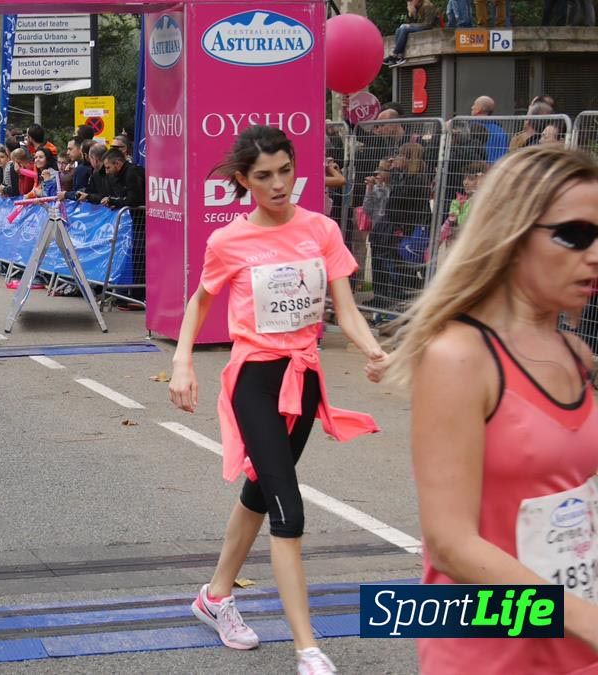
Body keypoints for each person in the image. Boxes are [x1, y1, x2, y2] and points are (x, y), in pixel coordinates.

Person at [167, 126, 388, 675]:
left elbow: (345, 308)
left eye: (285, 170)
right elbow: (200, 302)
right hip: (255, 381)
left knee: (261, 492)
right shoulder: (229, 241)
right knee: (289, 510)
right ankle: (307, 649)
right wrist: (182, 362)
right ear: (244, 181)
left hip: (303, 379)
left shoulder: (321, 230)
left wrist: (373, 350)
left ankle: (215, 596)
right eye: (264, 176)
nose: (278, 184)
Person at [385, 145, 598, 674]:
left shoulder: (575, 353)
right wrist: (586, 621)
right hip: (490, 656)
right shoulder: (458, 357)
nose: (594, 255)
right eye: (575, 235)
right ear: (513, 233)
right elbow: (451, 545)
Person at [383, 0, 441, 66]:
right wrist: (411, 13)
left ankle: (395, 54)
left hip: (432, 28)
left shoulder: (428, 6)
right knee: (398, 30)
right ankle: (399, 56)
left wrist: (410, 25)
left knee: (404, 29)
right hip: (423, 27)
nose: (410, 2)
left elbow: (428, 24)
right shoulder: (417, 7)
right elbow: (414, 23)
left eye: (411, 0)